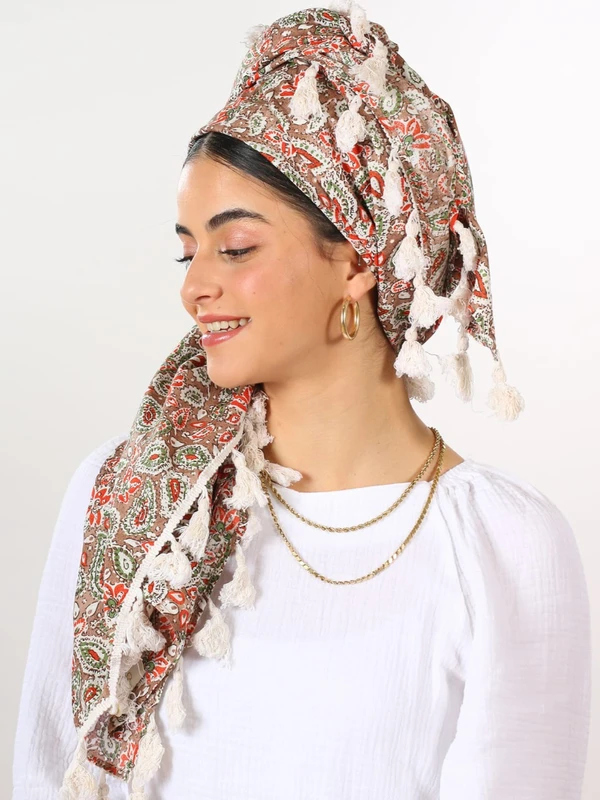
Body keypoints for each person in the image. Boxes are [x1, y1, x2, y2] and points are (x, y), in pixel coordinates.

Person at [13, 3, 591, 799]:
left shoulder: (500, 546)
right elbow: (48, 778)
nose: (194, 286)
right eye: (186, 252)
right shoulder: (132, 506)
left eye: (235, 247)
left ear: (356, 261)